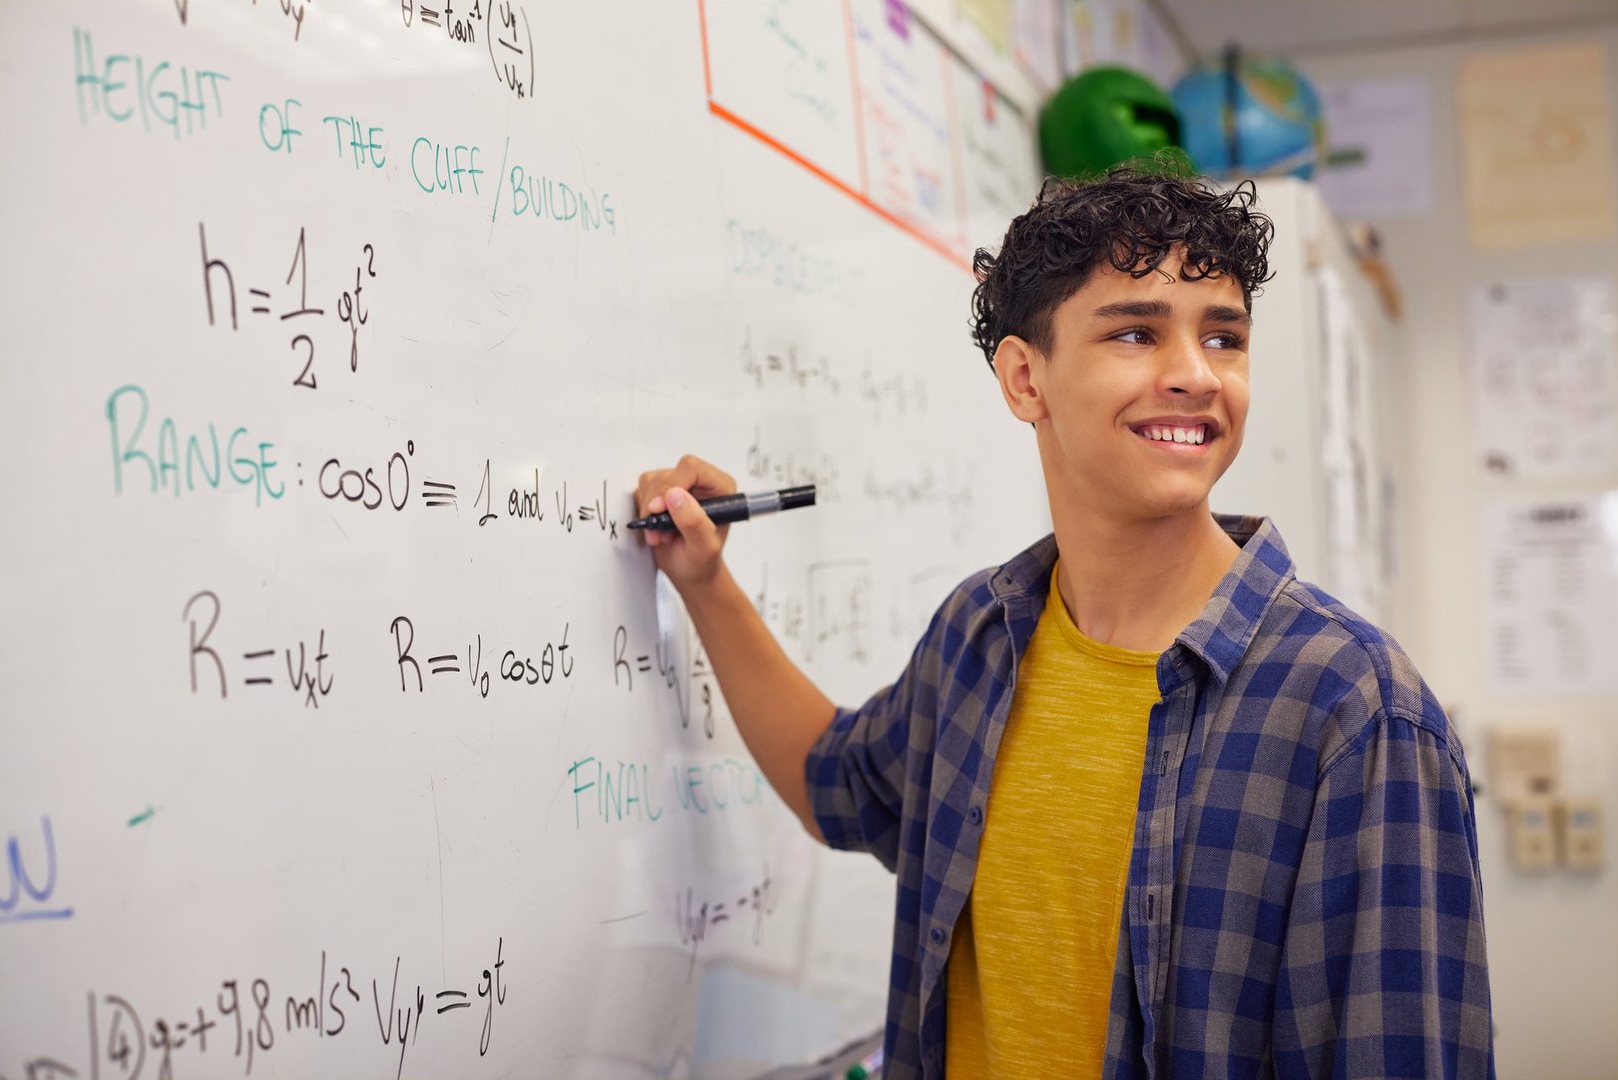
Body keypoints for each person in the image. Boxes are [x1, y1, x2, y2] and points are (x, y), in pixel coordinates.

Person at [635, 165, 1493, 1080]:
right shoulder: (982, 636)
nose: (1196, 375)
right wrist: (705, 583)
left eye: (1224, 338)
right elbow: (836, 783)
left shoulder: (1355, 713)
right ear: (1024, 377)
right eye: (1136, 332)